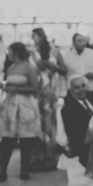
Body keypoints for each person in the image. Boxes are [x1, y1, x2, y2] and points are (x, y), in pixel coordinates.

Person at [0, 42, 42, 181]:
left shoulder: (29, 67)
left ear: (15, 52)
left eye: (9, 51)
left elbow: (35, 88)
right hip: (11, 105)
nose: (8, 53)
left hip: (24, 105)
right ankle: (3, 170)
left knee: (25, 139)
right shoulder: (10, 68)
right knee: (7, 139)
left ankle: (24, 169)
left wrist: (17, 89)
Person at [31, 28, 67, 170]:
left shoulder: (54, 51)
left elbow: (64, 69)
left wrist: (54, 66)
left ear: (40, 36)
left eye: (34, 35)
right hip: (37, 90)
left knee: (49, 122)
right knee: (37, 122)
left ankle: (50, 157)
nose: (32, 38)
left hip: (50, 90)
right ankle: (38, 157)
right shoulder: (32, 52)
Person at [61, 75, 93, 167]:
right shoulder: (68, 110)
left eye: (83, 86)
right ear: (71, 91)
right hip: (87, 153)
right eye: (77, 87)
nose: (81, 89)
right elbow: (75, 138)